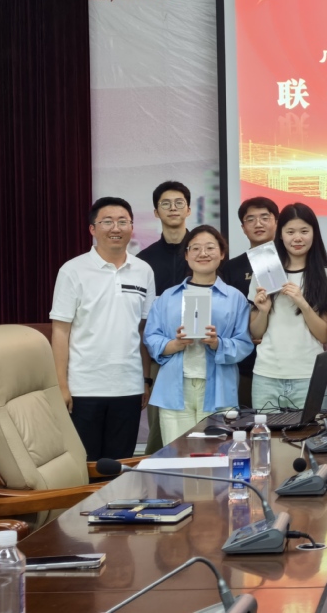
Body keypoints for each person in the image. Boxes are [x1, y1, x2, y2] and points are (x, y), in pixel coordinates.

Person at [50, 197, 155, 461]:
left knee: (119, 465)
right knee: (84, 465)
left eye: (123, 221)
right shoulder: (73, 270)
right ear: (92, 229)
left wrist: (144, 380)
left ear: (132, 227)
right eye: (107, 222)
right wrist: (61, 385)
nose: (115, 228)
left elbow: (143, 330)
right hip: (83, 388)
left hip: (128, 387)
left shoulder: (143, 270)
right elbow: (60, 331)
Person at [144, 226, 254, 445]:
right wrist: (174, 344)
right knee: (176, 454)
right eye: (195, 248)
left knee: (217, 455)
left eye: (210, 247)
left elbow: (244, 343)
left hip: (219, 390)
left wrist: (218, 343)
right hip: (175, 389)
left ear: (222, 254)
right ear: (186, 255)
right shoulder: (168, 297)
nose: (203, 253)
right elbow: (151, 336)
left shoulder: (235, 298)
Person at [249, 203, 327, 411]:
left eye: (304, 231)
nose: (297, 238)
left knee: (311, 432)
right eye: (290, 232)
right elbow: (255, 332)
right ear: (280, 234)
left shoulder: (326, 277)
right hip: (267, 374)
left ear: (314, 233)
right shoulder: (265, 272)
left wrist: (303, 304)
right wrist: (263, 311)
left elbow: (325, 336)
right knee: (266, 432)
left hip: (308, 375)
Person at [137, 180, 192, 454]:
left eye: (179, 203)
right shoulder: (143, 261)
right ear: (156, 212)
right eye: (166, 204)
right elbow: (142, 323)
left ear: (188, 210)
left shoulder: (204, 252)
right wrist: (146, 377)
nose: (173, 208)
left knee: (205, 433)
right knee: (161, 436)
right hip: (161, 358)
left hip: (203, 353)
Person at [219, 196, 280, 406]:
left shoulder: (292, 260)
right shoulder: (231, 267)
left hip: (286, 358)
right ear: (243, 228)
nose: (258, 224)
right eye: (251, 219)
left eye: (265, 217)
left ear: (276, 222)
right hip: (246, 363)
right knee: (247, 422)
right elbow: (227, 310)